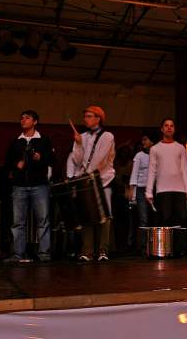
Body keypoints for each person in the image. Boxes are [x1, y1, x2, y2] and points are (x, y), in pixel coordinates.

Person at [4, 110, 55, 262]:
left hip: (39, 185)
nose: (23, 120)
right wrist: (16, 165)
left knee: (43, 220)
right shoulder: (16, 142)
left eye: (27, 118)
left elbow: (53, 160)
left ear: (35, 122)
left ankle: (44, 254)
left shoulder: (44, 140)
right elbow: (7, 164)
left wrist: (41, 157)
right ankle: (18, 254)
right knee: (18, 222)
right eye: (21, 118)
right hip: (19, 186)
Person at [71, 106, 115, 262]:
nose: (86, 119)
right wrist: (77, 144)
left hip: (103, 180)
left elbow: (101, 159)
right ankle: (87, 251)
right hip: (86, 181)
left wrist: (87, 174)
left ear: (98, 118)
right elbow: (77, 160)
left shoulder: (107, 136)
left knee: (104, 216)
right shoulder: (82, 136)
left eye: (89, 116)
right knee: (87, 216)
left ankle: (103, 250)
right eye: (85, 116)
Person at [146, 119, 187, 228]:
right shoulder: (155, 149)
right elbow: (151, 171)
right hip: (163, 190)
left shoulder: (180, 148)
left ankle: (180, 245)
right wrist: (148, 192)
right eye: (166, 125)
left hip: (179, 190)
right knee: (165, 221)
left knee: (180, 221)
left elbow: (184, 170)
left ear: (174, 129)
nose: (169, 127)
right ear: (162, 129)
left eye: (171, 126)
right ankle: (166, 245)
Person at [128, 131, 158, 252]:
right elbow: (134, 174)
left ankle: (155, 246)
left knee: (155, 218)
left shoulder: (157, 154)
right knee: (143, 218)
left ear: (152, 141)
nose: (143, 142)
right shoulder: (139, 155)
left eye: (146, 139)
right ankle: (143, 247)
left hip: (155, 189)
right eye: (143, 140)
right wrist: (132, 191)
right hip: (141, 189)